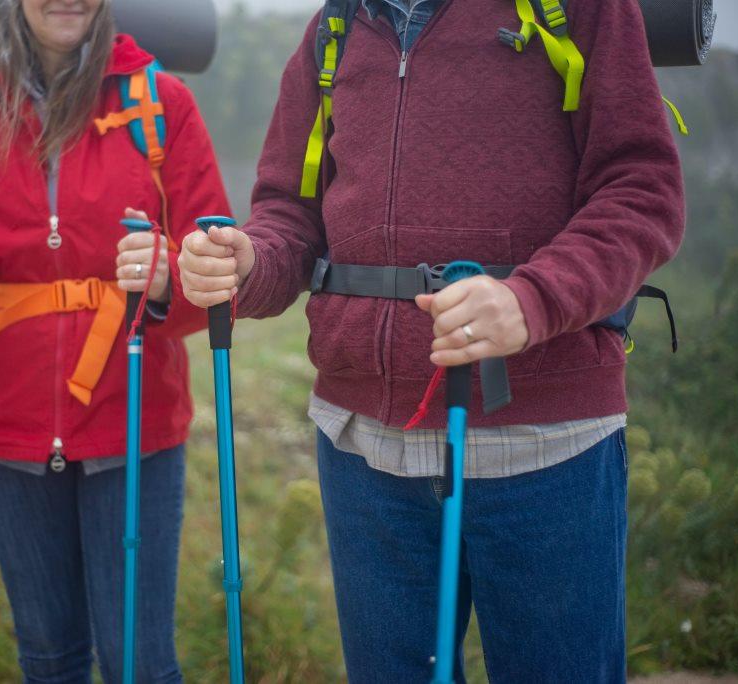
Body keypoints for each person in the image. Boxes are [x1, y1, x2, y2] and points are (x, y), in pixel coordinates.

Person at [178, 0, 684, 681]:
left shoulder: (581, 8)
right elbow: (289, 214)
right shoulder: (334, 28)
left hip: (544, 444)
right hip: (362, 449)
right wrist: (248, 263)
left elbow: (642, 189)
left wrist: (531, 300)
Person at [0, 0, 229, 680]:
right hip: (4, 430)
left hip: (132, 419)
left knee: (137, 659)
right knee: (47, 657)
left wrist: (169, 274)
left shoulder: (164, 106)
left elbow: (216, 281)